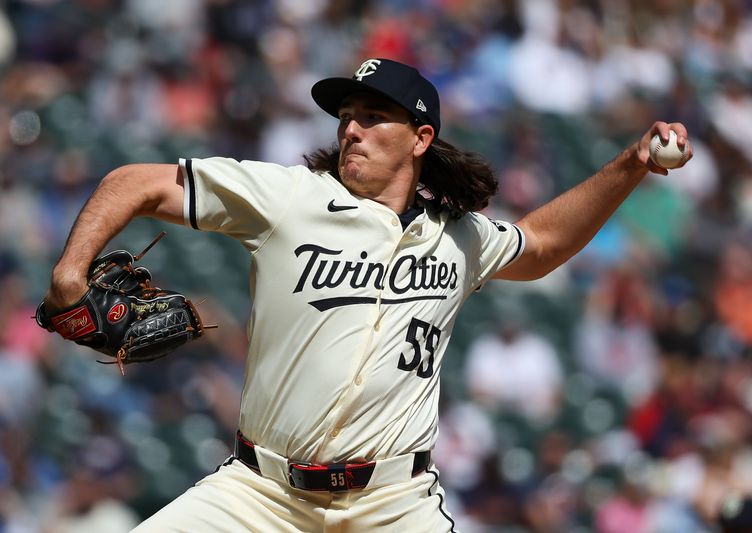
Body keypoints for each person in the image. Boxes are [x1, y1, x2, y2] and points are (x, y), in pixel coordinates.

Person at [42, 58, 693, 532]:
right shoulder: (290, 197)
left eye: (373, 116)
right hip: (259, 495)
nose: (351, 128)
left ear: (420, 138)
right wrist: (72, 273)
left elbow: (543, 243)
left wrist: (632, 162)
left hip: (392, 505)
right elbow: (137, 181)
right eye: (347, 116)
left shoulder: (458, 238)